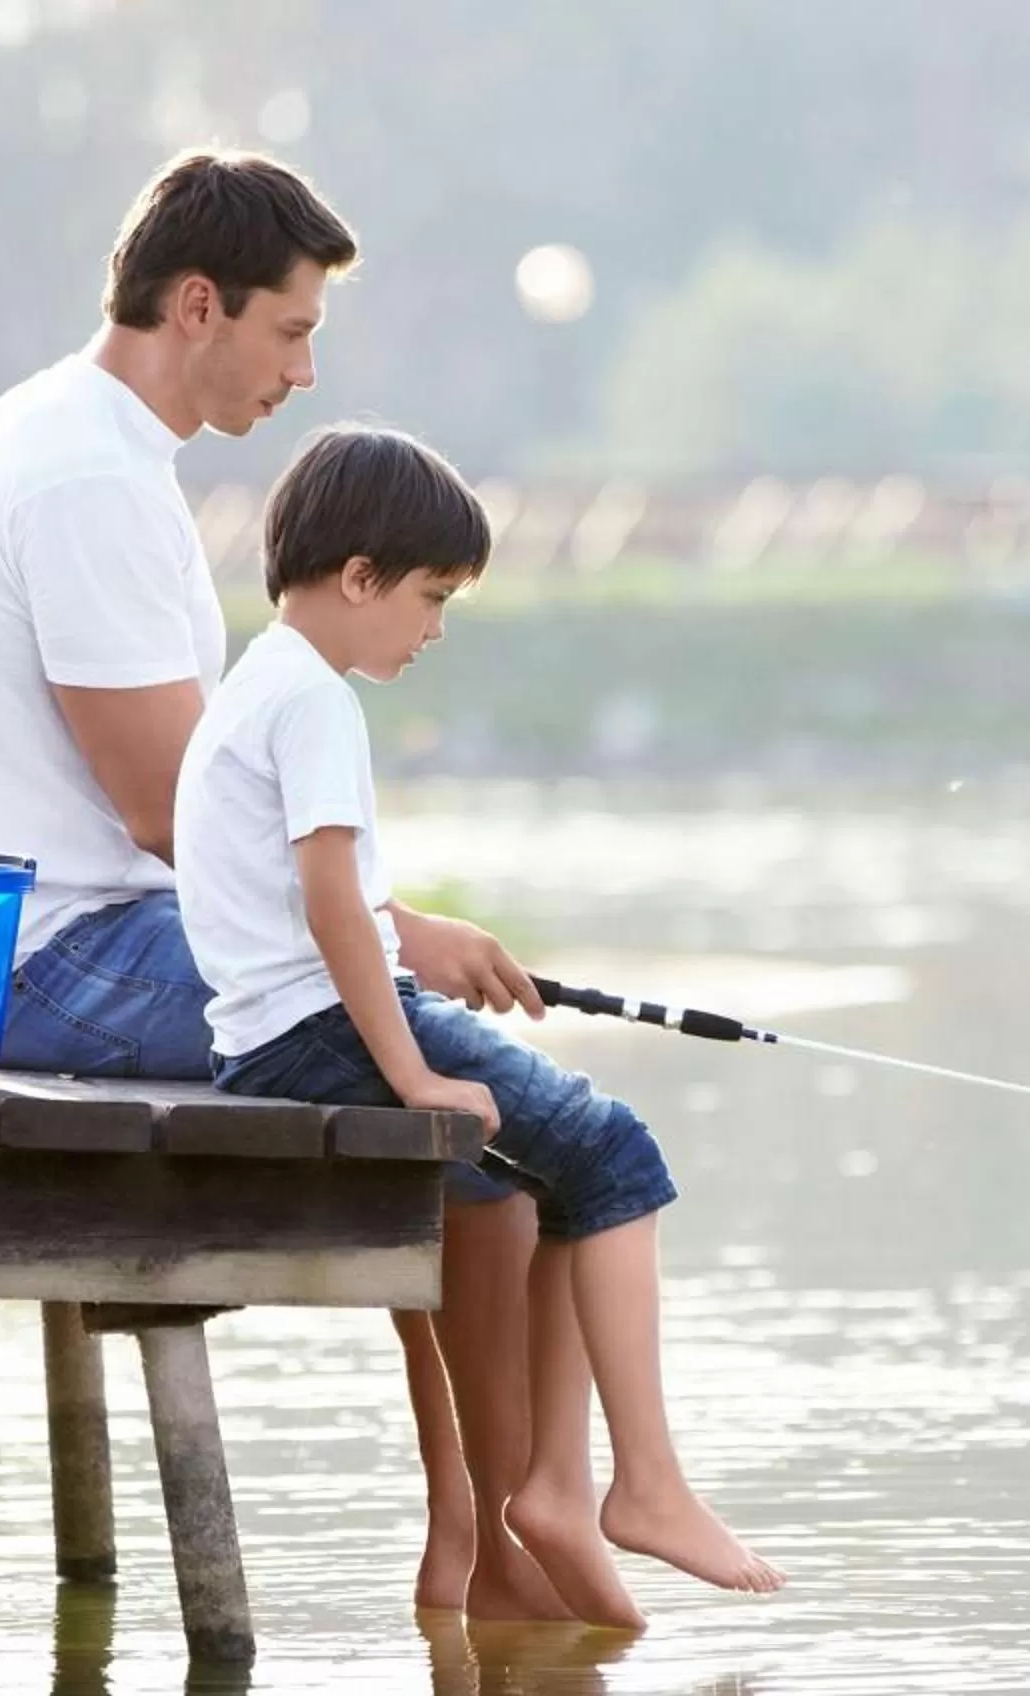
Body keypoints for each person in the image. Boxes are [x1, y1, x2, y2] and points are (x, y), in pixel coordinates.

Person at [0, 149, 559, 1619]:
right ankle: (492, 1538)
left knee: (446, 1078)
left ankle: (481, 1524)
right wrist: (392, 936)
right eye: (291, 328)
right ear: (196, 304)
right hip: (61, 957)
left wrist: (385, 944)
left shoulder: (78, 440)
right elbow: (167, 812)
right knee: (470, 1100)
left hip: (79, 932)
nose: (307, 370)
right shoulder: (85, 472)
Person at [177, 424, 786, 1625]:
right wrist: (409, 1070)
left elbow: (319, 907)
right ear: (358, 576)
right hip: (326, 1034)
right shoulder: (314, 705)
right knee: (619, 1151)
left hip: (271, 1035)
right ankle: (641, 1483)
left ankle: (559, 1490)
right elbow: (332, 905)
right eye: (430, 597)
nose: (434, 628)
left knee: (572, 1173)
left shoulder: (257, 684)